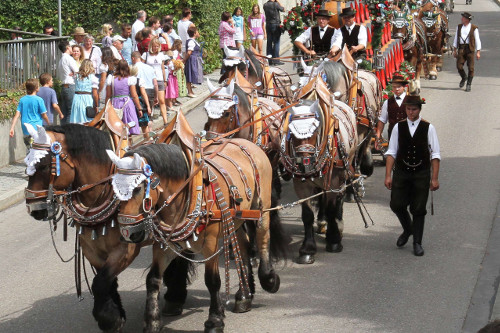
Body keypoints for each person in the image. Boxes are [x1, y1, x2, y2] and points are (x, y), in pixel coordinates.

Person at [384, 95, 440, 257]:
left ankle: (417, 242)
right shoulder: (398, 127)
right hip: (402, 172)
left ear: (419, 109)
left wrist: (434, 178)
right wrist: (388, 175)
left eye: (413, 109)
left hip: (421, 173)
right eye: (408, 109)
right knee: (396, 204)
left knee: (418, 209)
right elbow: (392, 152)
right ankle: (408, 229)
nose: (410, 112)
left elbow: (435, 154)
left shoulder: (428, 128)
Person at [9, 78, 50, 151]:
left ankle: (29, 159)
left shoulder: (22, 100)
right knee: (37, 150)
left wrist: (12, 128)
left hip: (25, 129)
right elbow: (44, 115)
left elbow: (17, 115)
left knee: (29, 149)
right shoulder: (39, 100)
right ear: (36, 88)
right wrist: (49, 123)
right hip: (36, 129)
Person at [105, 60, 142, 135]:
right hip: (127, 103)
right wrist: (139, 108)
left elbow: (108, 95)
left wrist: (107, 107)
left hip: (114, 103)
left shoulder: (111, 78)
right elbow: (134, 95)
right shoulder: (130, 79)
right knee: (130, 124)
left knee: (115, 127)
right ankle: (129, 143)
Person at [375, 75, 409, 149]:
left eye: (399, 87)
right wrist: (378, 137)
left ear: (404, 87)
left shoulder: (410, 101)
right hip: (393, 135)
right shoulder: (387, 102)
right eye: (394, 87)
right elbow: (382, 120)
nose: (396, 89)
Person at [142, 37, 169, 124]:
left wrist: (165, 80)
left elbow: (163, 68)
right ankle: (149, 118)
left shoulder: (161, 55)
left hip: (159, 78)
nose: (156, 48)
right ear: (151, 46)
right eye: (154, 46)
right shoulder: (146, 55)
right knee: (150, 100)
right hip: (149, 80)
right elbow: (141, 66)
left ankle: (165, 121)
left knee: (161, 100)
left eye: (157, 46)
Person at [452, 12, 481, 92]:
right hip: (461, 48)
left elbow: (477, 40)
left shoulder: (474, 28)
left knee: (471, 68)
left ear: (467, 20)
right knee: (459, 66)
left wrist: (478, 51)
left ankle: (468, 84)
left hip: (470, 49)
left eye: (463, 18)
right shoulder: (459, 27)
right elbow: (455, 38)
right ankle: (464, 77)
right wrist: (454, 50)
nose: (461, 19)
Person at [70, 59, 99, 124]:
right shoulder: (93, 78)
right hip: (87, 98)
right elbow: (95, 94)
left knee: (76, 119)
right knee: (87, 118)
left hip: (77, 98)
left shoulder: (76, 76)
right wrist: (96, 105)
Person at [57, 40, 79, 124]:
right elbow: (77, 71)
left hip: (63, 86)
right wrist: (75, 73)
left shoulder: (61, 59)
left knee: (64, 112)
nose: (71, 48)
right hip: (70, 86)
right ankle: (68, 132)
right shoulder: (69, 58)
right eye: (70, 46)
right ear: (67, 47)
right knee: (71, 111)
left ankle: (63, 131)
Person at [131, 51, 158, 120]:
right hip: (150, 91)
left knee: (139, 115)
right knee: (149, 114)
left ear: (133, 58)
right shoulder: (150, 68)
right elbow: (155, 83)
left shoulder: (133, 68)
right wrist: (156, 96)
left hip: (139, 92)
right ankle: (149, 129)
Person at [130, 65, 152, 137]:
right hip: (139, 102)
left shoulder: (126, 80)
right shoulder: (139, 80)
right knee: (144, 125)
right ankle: (147, 140)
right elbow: (143, 93)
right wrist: (148, 106)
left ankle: (129, 144)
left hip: (129, 102)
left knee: (129, 124)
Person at [263, 0, 285, 65]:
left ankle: (269, 60)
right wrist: (278, 2)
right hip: (275, 24)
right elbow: (283, 9)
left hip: (268, 25)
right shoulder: (276, 4)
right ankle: (276, 60)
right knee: (276, 42)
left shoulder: (265, 5)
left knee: (269, 42)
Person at [184, 26, 203, 98]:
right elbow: (189, 52)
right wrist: (184, 60)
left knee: (192, 74)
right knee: (189, 74)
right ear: (195, 33)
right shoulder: (191, 41)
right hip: (192, 59)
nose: (198, 33)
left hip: (194, 59)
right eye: (197, 32)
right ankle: (189, 91)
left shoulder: (193, 41)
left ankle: (191, 91)